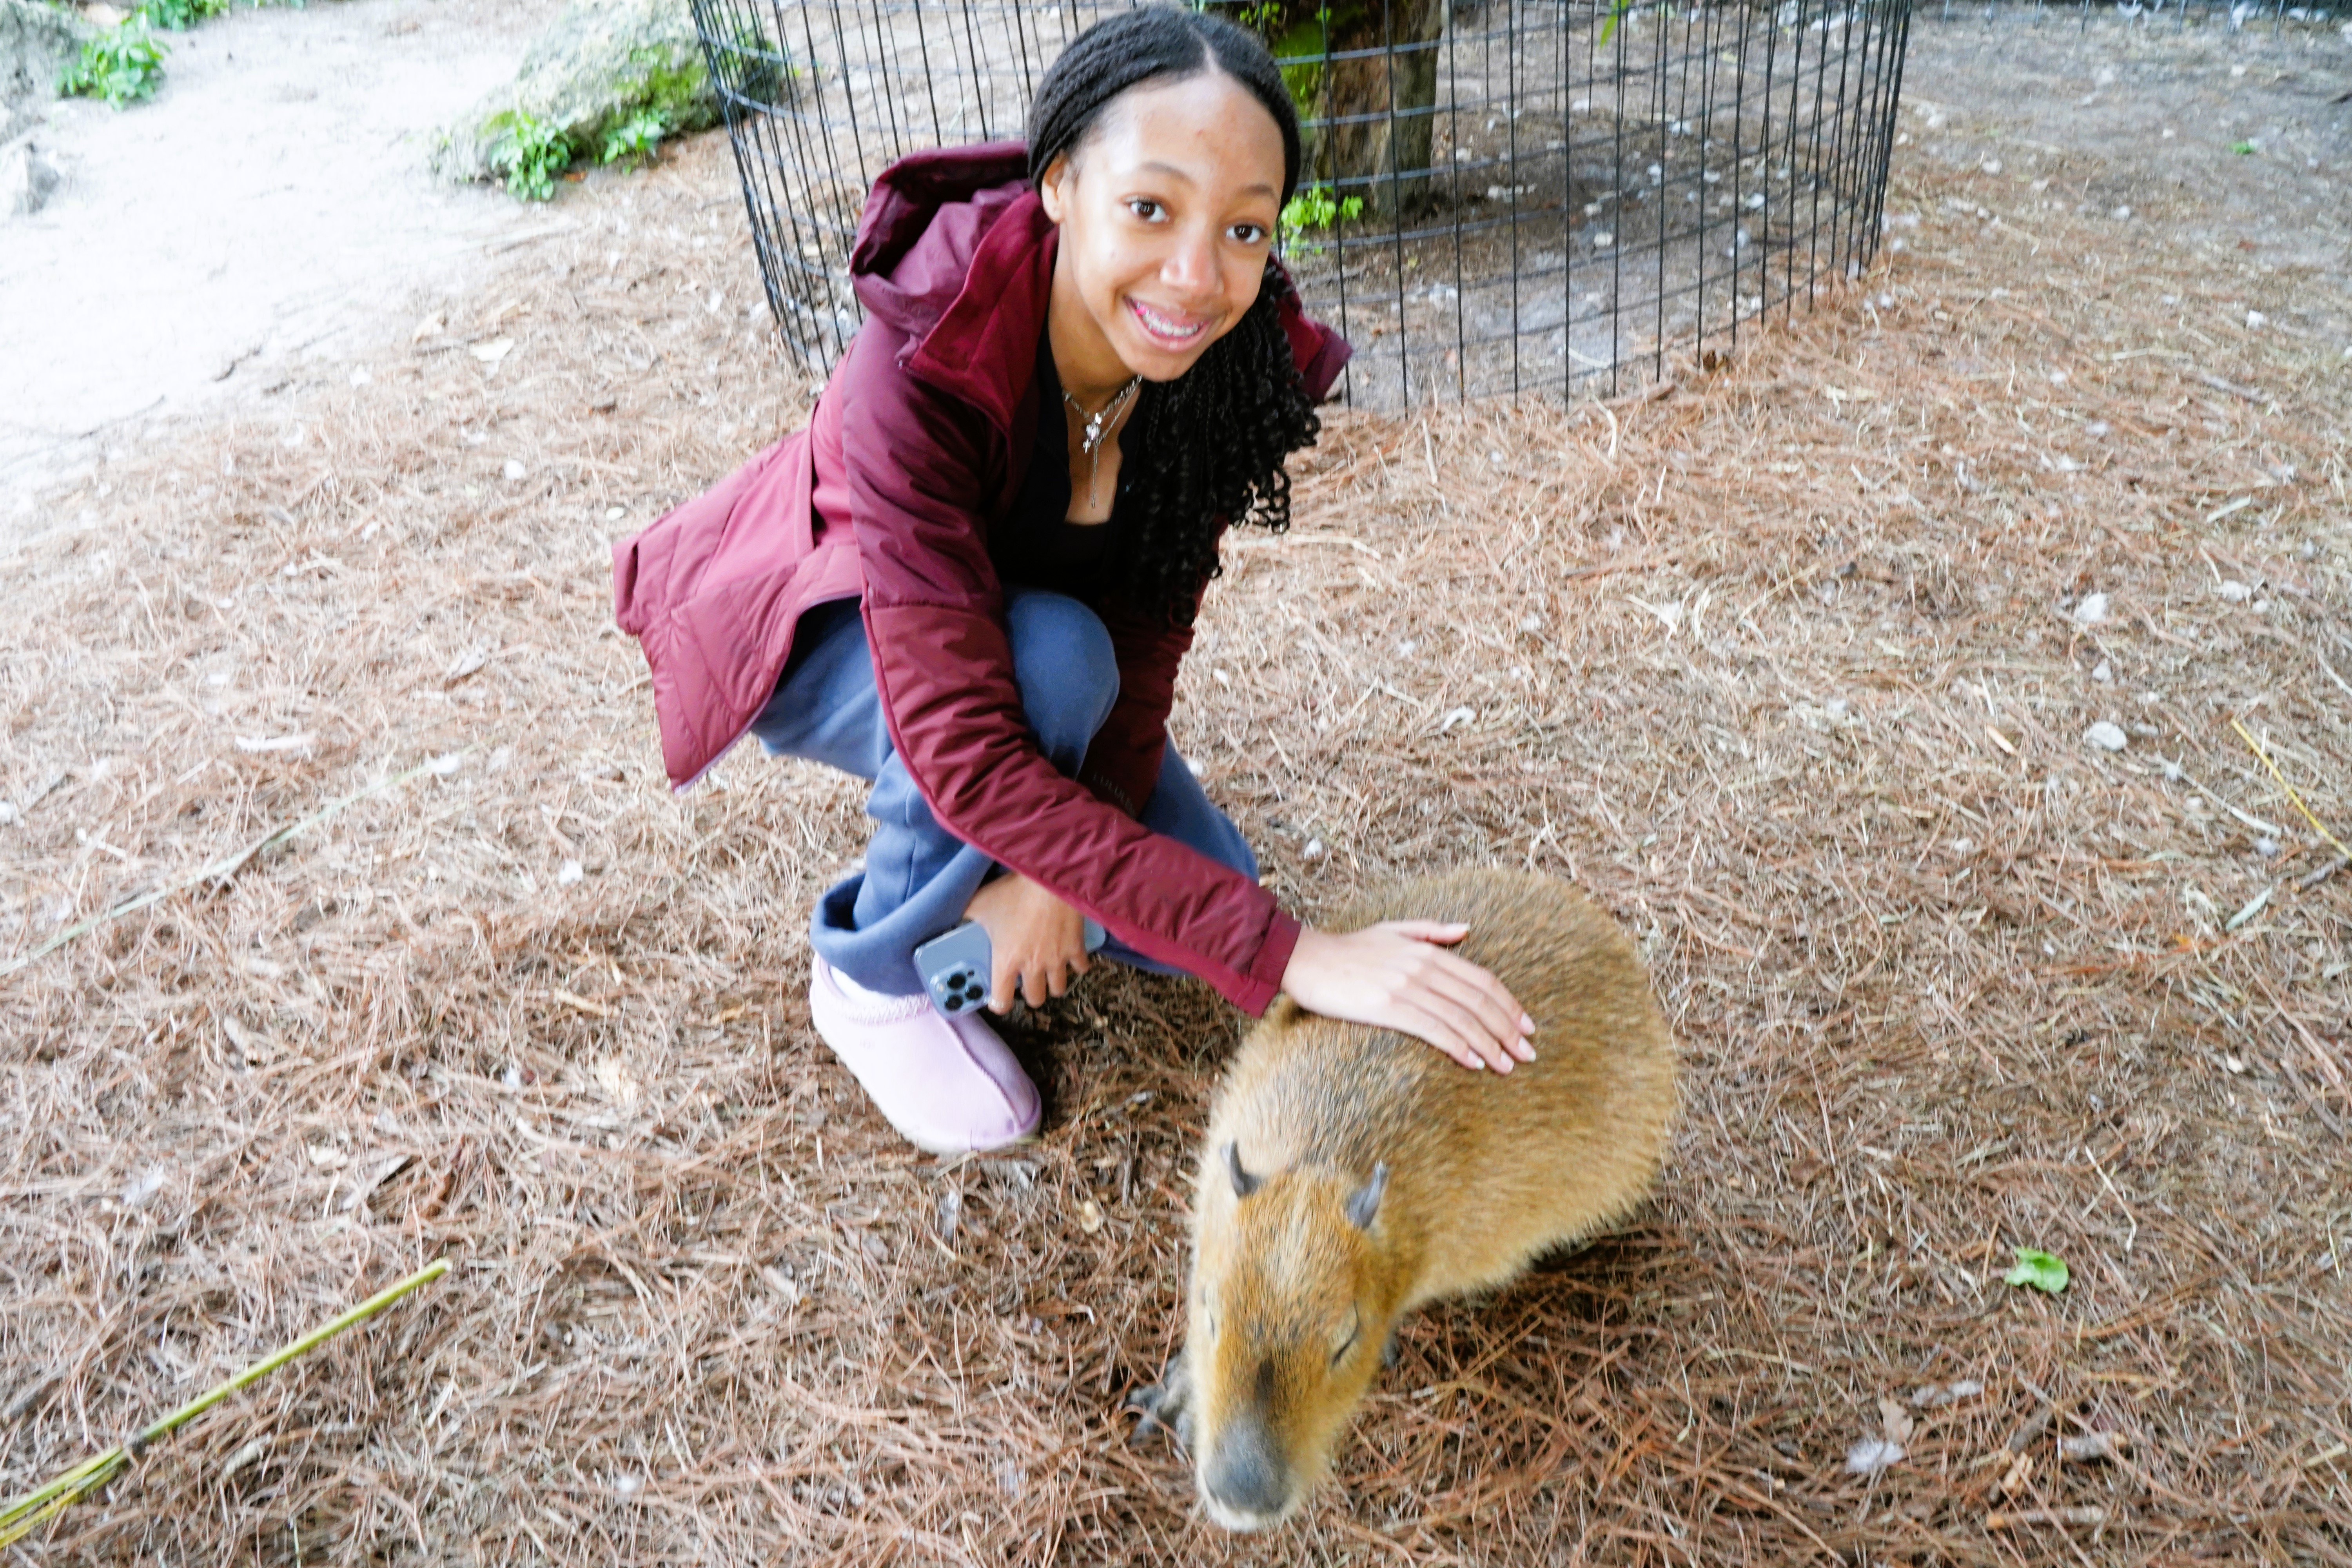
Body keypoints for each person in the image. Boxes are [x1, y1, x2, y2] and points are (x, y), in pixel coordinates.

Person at [612, 5, 1533, 1156]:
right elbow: (966, 742)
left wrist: (1066, 870)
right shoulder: (919, 357)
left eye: (1245, 230)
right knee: (1056, 664)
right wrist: (1296, 952)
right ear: (1059, 186)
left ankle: (1012, 885)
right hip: (820, 624)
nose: (1198, 276)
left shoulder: (1221, 365)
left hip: (1015, 639)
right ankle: (874, 972)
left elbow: (1149, 645)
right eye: (1150, 208)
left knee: (1203, 882)